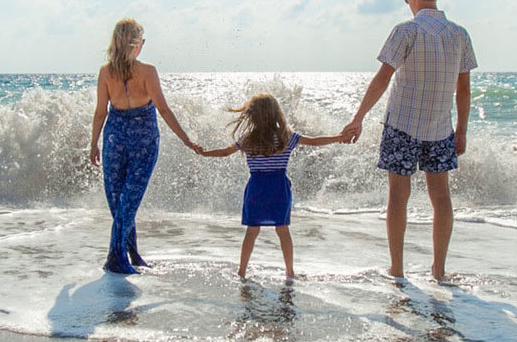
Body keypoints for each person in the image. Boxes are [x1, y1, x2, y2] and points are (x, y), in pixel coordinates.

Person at [340, 0, 477, 280]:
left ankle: (397, 269)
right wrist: (463, 130)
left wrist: (358, 118)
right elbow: (464, 90)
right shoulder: (460, 34)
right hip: (441, 129)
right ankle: (439, 270)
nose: (408, 3)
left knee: (398, 198)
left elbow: (382, 79)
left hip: (402, 125)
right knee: (441, 198)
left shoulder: (406, 31)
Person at [89, 18, 200, 274]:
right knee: (127, 200)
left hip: (115, 137)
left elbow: (100, 113)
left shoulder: (106, 72)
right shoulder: (147, 71)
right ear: (137, 44)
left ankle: (131, 253)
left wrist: (94, 143)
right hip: (143, 140)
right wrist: (186, 140)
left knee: (121, 200)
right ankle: (117, 257)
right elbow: (162, 108)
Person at [198, 93, 343, 278]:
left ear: (253, 115)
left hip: (257, 188)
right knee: (282, 230)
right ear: (276, 113)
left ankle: (242, 271)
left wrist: (204, 153)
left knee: (252, 231)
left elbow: (226, 152)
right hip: (278, 188)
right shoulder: (286, 136)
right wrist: (338, 137)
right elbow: (314, 141)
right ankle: (290, 272)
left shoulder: (248, 138)